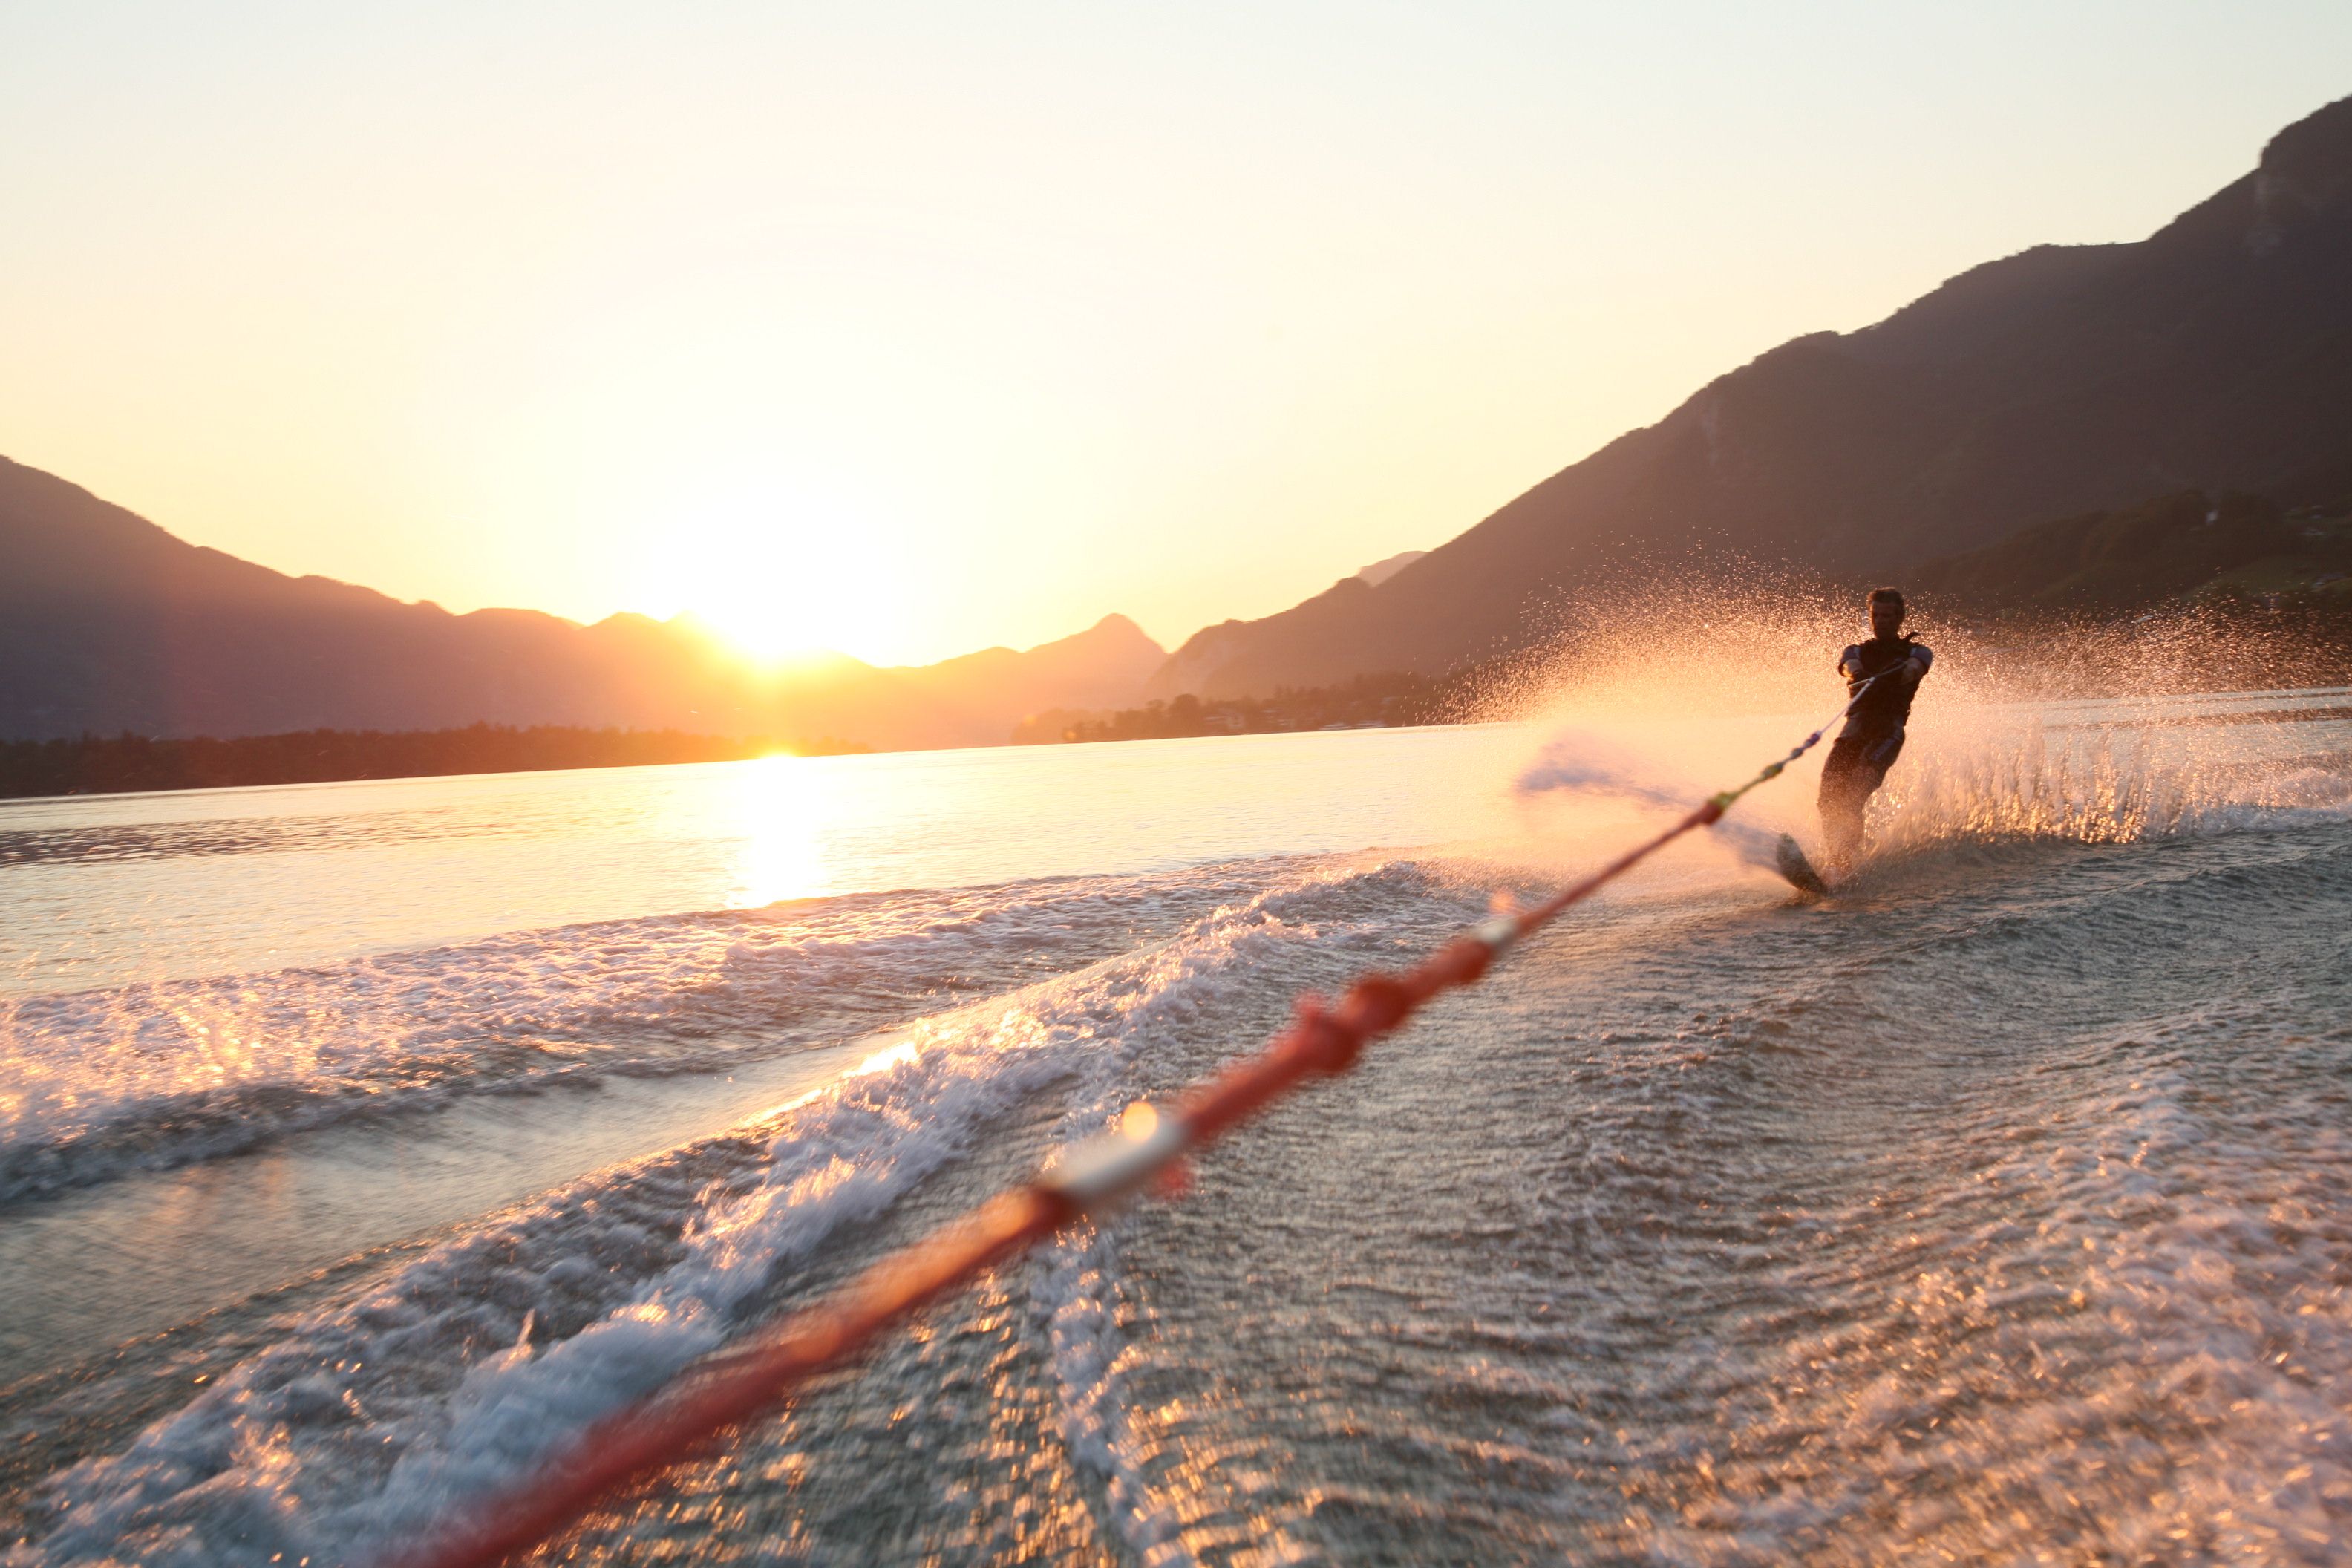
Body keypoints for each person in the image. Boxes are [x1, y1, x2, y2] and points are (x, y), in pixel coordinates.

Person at [1817, 587, 1932, 873]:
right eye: (1875, 615)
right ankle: (1837, 858)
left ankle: (1844, 863)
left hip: (1887, 734)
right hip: (1852, 733)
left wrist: (1900, 674)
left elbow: (1915, 668)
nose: (1880, 621)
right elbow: (1848, 666)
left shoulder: (1917, 652)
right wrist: (1858, 674)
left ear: (1900, 618)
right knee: (1828, 798)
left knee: (1853, 796)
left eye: (1887, 616)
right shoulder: (1856, 652)